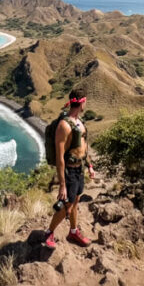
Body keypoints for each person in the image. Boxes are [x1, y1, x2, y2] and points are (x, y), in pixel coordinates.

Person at [44, 89, 97, 248]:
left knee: (76, 201)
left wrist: (89, 165)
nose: (86, 104)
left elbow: (84, 147)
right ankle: (49, 232)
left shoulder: (79, 123)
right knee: (66, 207)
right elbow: (60, 158)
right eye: (85, 102)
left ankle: (73, 232)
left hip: (79, 169)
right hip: (69, 172)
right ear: (81, 102)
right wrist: (62, 185)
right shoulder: (64, 126)